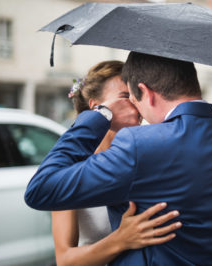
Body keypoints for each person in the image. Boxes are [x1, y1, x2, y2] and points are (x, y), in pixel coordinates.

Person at [25, 52, 212, 265]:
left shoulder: (139, 146)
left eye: (132, 97)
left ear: (145, 93)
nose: (134, 108)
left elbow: (40, 189)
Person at [51, 60, 181, 266]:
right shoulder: (72, 168)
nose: (135, 105)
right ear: (97, 108)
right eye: (124, 97)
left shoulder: (148, 152)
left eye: (136, 96)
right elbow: (65, 260)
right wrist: (121, 240)